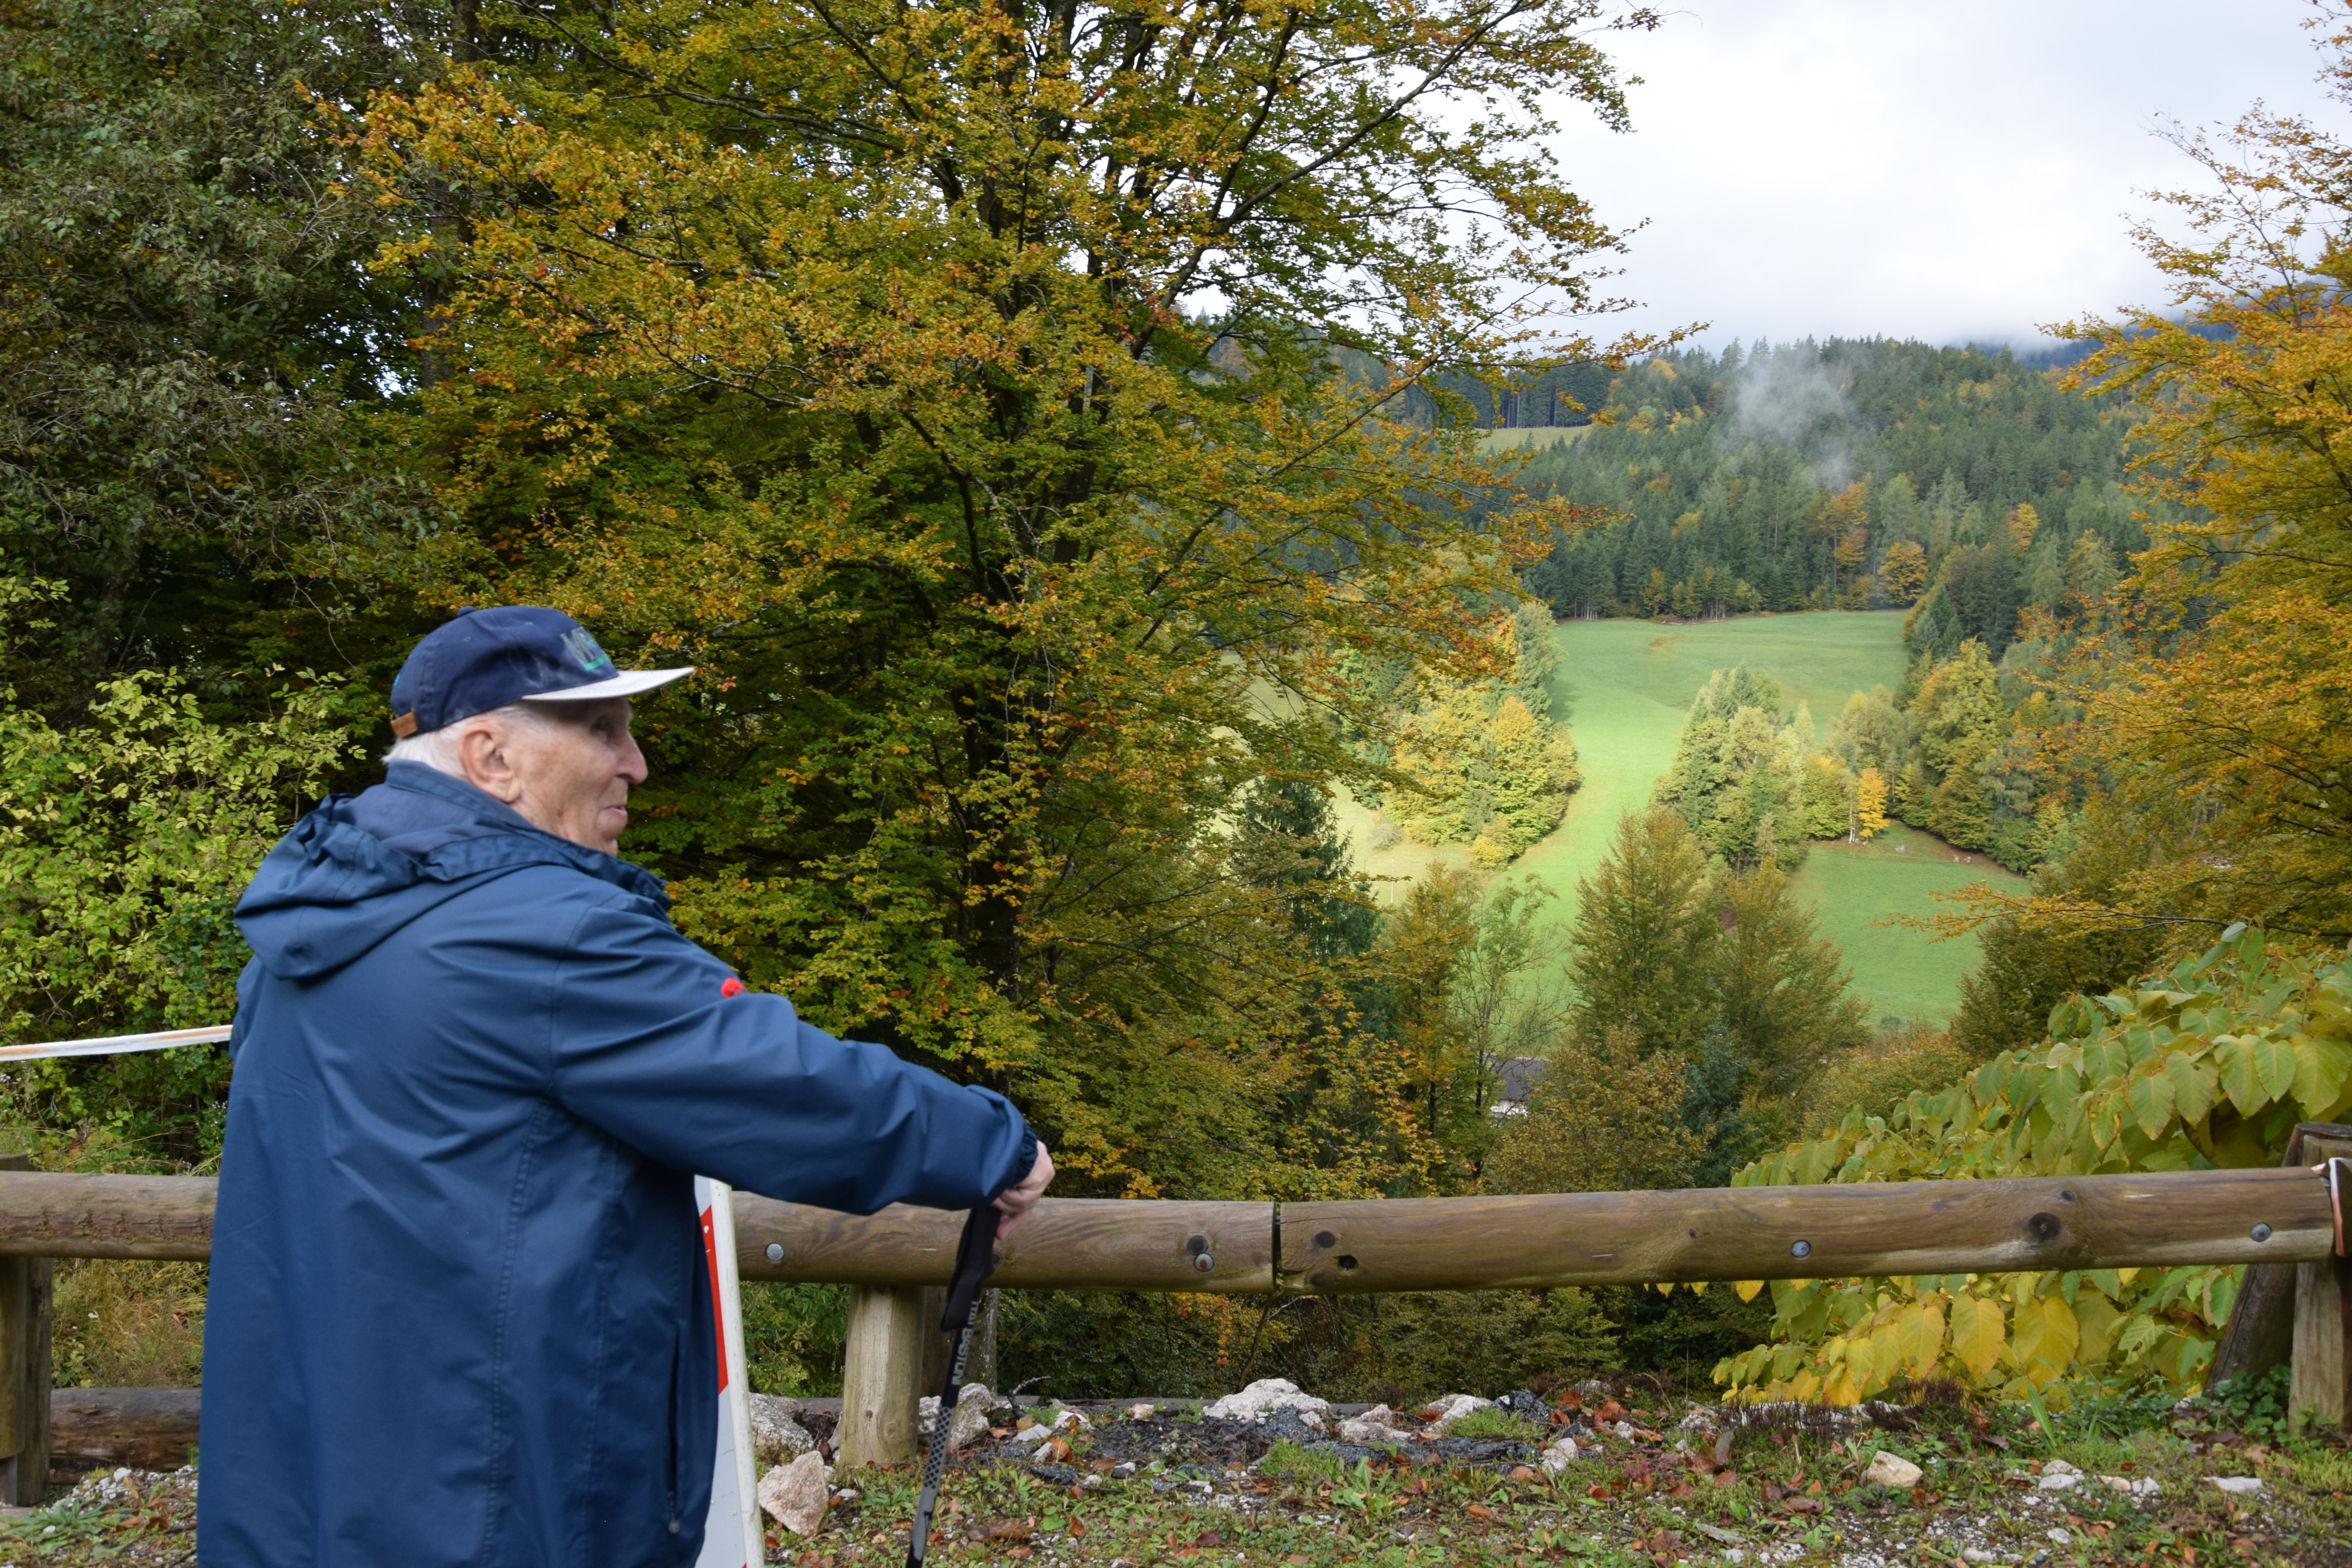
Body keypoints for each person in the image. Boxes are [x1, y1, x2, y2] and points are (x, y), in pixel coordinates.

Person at [197, 606, 1053, 1568]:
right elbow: (778, 1083)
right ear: (491, 757)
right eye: (600, 729)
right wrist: (995, 1145)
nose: (635, 762)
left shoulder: (310, 928)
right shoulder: (543, 931)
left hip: (318, 1482)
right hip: (503, 1495)